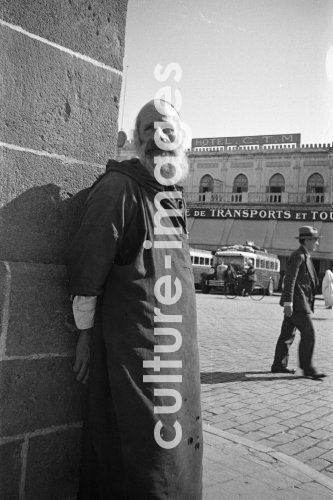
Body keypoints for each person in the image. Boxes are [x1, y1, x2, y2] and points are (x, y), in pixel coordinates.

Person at [66, 99, 203, 499]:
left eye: (168, 129)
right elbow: (89, 264)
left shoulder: (172, 193)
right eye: (150, 129)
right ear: (138, 139)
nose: (160, 137)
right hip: (137, 352)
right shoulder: (119, 188)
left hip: (176, 357)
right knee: (140, 459)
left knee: (176, 455)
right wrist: (86, 335)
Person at [271, 226, 326, 379]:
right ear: (307, 240)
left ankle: (278, 365)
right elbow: (290, 279)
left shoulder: (305, 255)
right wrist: (288, 302)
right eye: (315, 240)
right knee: (309, 334)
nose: (317, 243)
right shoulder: (298, 255)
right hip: (297, 303)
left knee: (287, 334)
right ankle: (308, 368)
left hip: (299, 302)